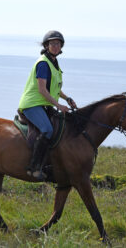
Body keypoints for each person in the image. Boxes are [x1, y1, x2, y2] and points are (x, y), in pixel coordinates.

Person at [18, 30, 77, 180]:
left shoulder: (54, 63)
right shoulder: (44, 63)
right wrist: (58, 105)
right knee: (47, 130)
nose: (56, 46)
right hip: (32, 104)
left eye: (58, 44)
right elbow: (42, 89)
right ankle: (34, 167)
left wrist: (67, 98)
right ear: (46, 45)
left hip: (43, 104)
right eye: (52, 44)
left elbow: (54, 87)